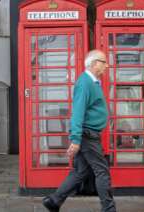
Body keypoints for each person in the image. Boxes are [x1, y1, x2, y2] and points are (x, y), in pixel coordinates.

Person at [42, 50, 116, 212]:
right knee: (102, 172)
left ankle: (54, 201)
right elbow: (77, 112)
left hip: (88, 134)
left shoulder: (93, 82)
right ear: (94, 63)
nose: (106, 65)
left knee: (80, 172)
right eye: (104, 62)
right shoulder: (84, 83)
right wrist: (75, 140)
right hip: (87, 135)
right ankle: (109, 209)